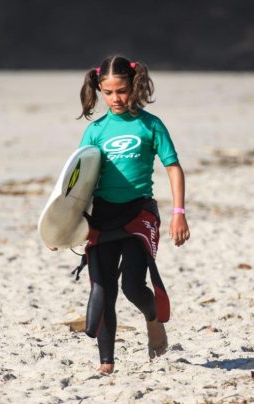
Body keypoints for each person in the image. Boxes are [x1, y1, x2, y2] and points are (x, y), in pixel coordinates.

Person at [76, 55, 190, 374]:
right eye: (108, 92)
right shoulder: (95, 131)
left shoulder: (150, 124)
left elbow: (173, 168)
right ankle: (106, 364)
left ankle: (152, 317)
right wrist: (63, 225)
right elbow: (77, 183)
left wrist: (178, 212)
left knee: (132, 287)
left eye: (122, 90)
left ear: (134, 85)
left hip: (139, 214)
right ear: (99, 89)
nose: (115, 99)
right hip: (102, 216)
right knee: (103, 288)